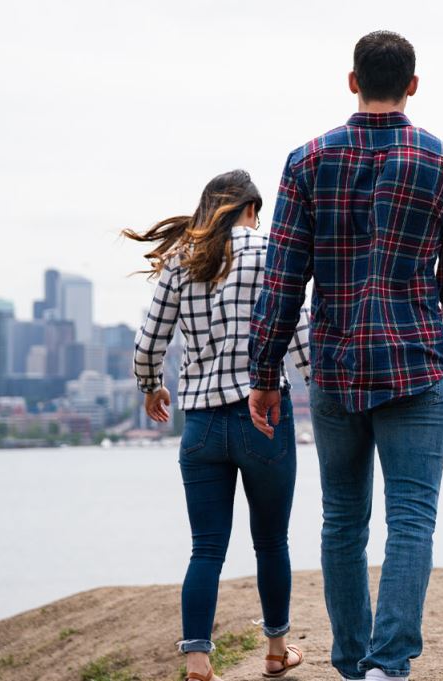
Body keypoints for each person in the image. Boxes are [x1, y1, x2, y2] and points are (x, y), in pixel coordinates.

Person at [247, 30, 443, 681]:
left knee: (342, 519)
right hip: (415, 363)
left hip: (336, 364)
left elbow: (283, 278)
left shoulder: (306, 161)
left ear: (352, 81)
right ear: (412, 85)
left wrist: (266, 374)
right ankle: (386, 665)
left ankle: (353, 662)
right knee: (411, 518)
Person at [126, 169, 311, 681]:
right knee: (271, 541)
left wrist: (150, 386)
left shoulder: (181, 260)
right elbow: (295, 327)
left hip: (201, 424)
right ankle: (276, 651)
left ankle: (198, 661)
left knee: (206, 547)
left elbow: (149, 343)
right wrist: (323, 384)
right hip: (264, 418)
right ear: (251, 208)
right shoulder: (271, 253)